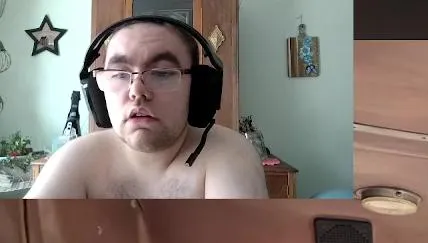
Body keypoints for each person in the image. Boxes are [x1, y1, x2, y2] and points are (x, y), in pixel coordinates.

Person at [27, 17, 268, 199]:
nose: (137, 92)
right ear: (97, 89)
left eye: (162, 73)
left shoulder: (229, 154)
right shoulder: (76, 158)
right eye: (119, 73)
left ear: (197, 89)